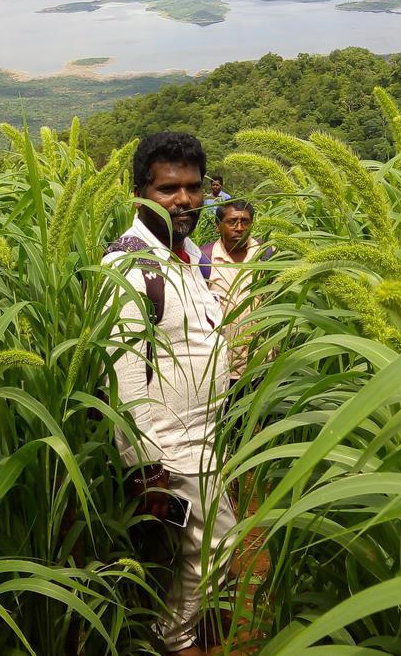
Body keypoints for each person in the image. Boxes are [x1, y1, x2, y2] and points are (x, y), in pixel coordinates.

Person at [103, 131, 235, 656]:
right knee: (213, 552)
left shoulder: (183, 256)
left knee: (199, 558)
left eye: (193, 188)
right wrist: (146, 467)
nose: (184, 200)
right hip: (172, 448)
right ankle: (174, 640)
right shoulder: (130, 265)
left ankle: (178, 629)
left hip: (209, 439)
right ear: (139, 191)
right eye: (168, 189)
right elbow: (124, 376)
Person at [202, 200, 269, 394]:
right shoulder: (203, 260)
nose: (239, 228)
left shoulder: (267, 255)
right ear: (218, 226)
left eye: (245, 222)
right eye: (232, 222)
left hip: (261, 361)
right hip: (221, 364)